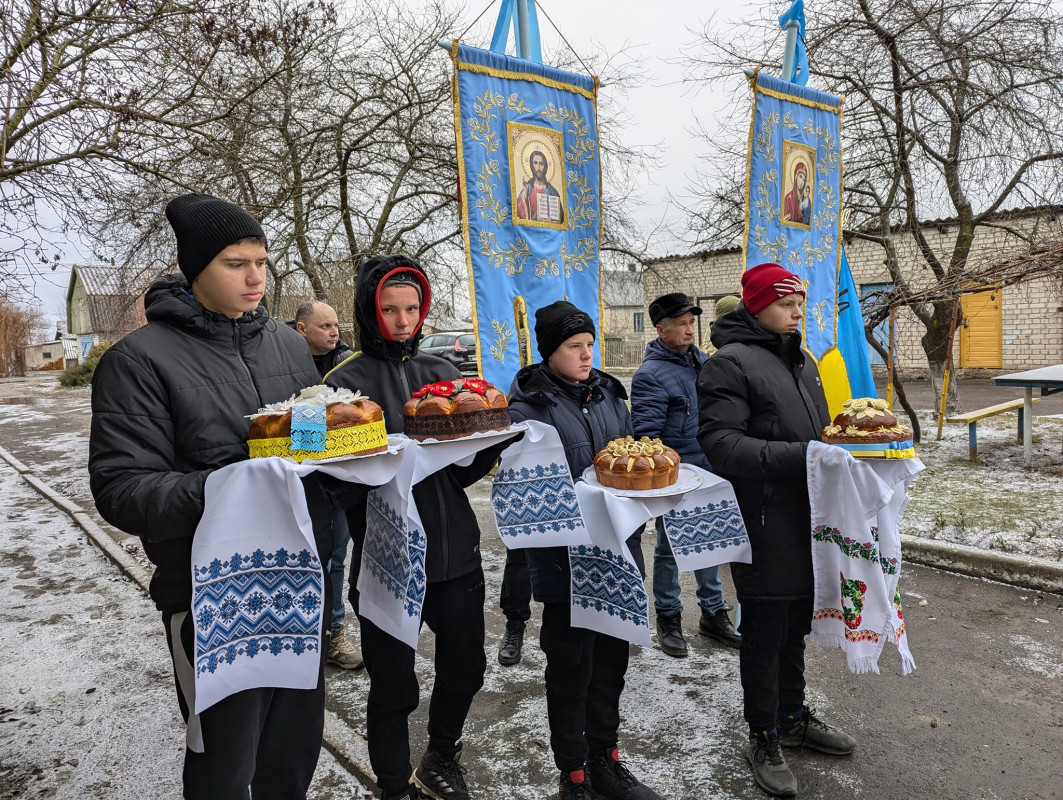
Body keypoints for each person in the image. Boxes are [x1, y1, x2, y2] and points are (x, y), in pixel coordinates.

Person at [89, 193, 331, 798]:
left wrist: (360, 465)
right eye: (234, 262)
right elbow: (122, 491)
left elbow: (303, 448)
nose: (256, 277)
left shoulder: (287, 345)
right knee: (224, 767)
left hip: (296, 584)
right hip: (208, 599)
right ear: (196, 269)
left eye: (262, 260)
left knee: (291, 757)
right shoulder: (139, 361)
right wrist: (232, 485)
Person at [325, 255, 504, 800]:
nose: (403, 321)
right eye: (389, 309)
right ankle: (393, 785)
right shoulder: (338, 383)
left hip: (455, 555)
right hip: (387, 562)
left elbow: (462, 468)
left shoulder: (444, 375)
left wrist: (485, 451)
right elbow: (316, 475)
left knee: (466, 669)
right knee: (393, 687)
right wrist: (369, 472)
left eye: (411, 308)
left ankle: (442, 755)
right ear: (368, 311)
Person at [697, 262, 856, 799]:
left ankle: (792, 715)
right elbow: (722, 446)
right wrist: (808, 456)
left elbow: (821, 433)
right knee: (764, 633)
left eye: (800, 304)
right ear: (758, 306)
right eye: (788, 304)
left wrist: (852, 447)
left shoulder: (802, 361)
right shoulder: (729, 365)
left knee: (795, 627)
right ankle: (763, 733)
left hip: (809, 518)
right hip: (761, 520)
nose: (797, 313)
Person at [507, 301, 660, 800]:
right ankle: (572, 774)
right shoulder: (529, 407)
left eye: (589, 344)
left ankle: (605, 760)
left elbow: (629, 462)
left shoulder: (612, 396)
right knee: (572, 669)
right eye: (574, 346)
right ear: (551, 351)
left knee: (612, 664)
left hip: (617, 555)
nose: (586, 354)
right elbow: (523, 490)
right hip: (564, 560)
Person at [630, 293, 740, 658]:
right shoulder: (650, 375)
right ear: (661, 330)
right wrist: (669, 472)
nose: (689, 328)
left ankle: (713, 614)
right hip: (677, 474)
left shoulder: (704, 363)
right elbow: (647, 434)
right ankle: (669, 617)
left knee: (709, 540)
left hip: (711, 467)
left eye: (691, 322)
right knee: (670, 548)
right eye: (680, 323)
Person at [292, 300, 362, 670]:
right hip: (300, 479)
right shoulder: (287, 365)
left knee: (337, 556)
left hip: (340, 481)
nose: (334, 332)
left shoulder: (347, 366)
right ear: (302, 329)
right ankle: (302, 636)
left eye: (336, 325)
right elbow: (301, 439)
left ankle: (334, 632)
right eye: (325, 326)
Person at [516, 149, 564, 223]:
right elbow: (518, 215)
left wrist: (553, 223)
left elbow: (561, 219)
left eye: (541, 164)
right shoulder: (527, 189)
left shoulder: (552, 192)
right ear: (532, 165)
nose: (538, 167)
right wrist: (525, 195)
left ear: (545, 167)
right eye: (535, 163)